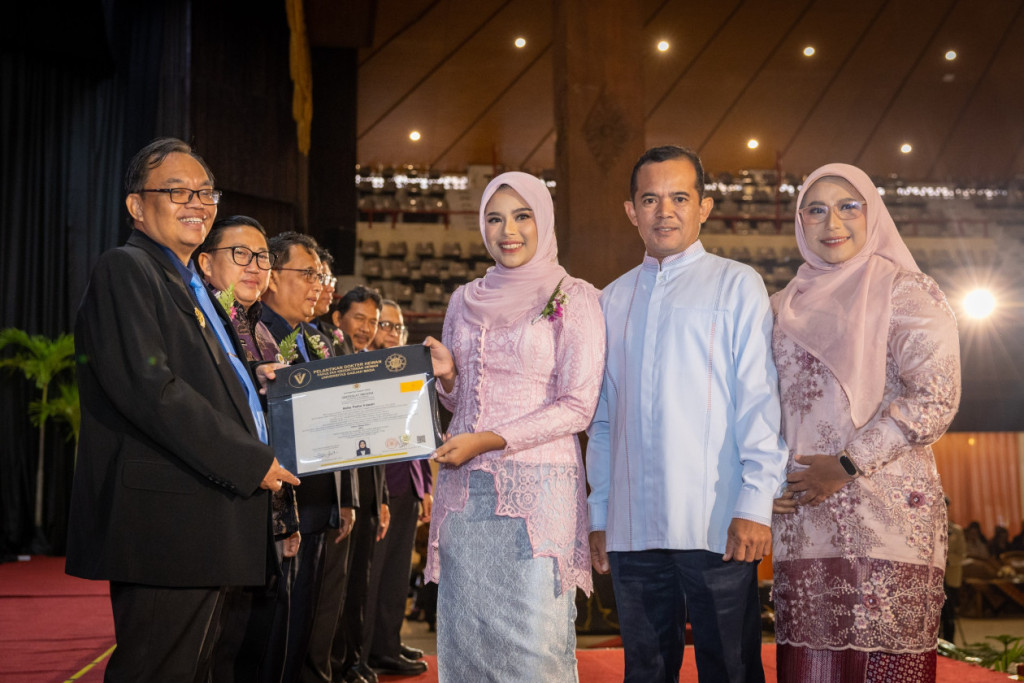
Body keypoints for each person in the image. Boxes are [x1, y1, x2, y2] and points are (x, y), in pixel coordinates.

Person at [66, 137, 300, 682]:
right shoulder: (126, 268)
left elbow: (199, 384)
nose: (197, 202)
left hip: (203, 518)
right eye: (177, 191)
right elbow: (151, 388)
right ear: (135, 205)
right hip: (167, 525)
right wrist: (251, 460)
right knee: (159, 670)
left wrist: (255, 387)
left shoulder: (189, 285)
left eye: (205, 191)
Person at [586, 145, 787, 683]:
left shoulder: (735, 282)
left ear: (705, 206)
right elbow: (603, 420)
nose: (664, 211)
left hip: (716, 522)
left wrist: (755, 504)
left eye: (679, 197)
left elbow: (758, 400)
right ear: (631, 210)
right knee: (645, 671)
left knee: (731, 668)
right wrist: (600, 513)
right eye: (650, 199)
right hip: (632, 527)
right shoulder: (611, 299)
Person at [770, 163, 961, 682]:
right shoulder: (780, 309)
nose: (832, 222)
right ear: (799, 222)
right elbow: (758, 413)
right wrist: (766, 482)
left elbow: (935, 398)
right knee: (812, 668)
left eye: (848, 206)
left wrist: (848, 464)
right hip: (805, 519)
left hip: (889, 520)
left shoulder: (908, 294)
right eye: (816, 209)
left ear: (872, 214)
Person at [423, 171, 605, 680]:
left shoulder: (573, 296)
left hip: (537, 492)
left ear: (542, 220)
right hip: (463, 490)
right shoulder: (463, 299)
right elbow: (459, 399)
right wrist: (449, 377)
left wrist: (490, 440)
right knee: (466, 638)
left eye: (522, 216)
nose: (509, 231)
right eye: (495, 218)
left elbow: (578, 405)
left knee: (533, 645)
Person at [195, 215, 302, 681]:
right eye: (241, 254)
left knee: (252, 645)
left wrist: (287, 519)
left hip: (266, 513)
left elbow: (274, 431)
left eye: (262, 257)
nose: (255, 265)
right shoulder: (201, 328)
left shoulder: (261, 332)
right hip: (218, 512)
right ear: (204, 263)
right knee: (213, 651)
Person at [261, 231, 356, 683]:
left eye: (321, 275)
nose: (319, 284)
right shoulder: (255, 336)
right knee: (274, 633)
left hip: (316, 502)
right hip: (280, 503)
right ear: (272, 277)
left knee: (302, 628)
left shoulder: (311, 339)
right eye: (308, 274)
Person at [363, 300, 432, 678]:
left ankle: (387, 643)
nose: (393, 334)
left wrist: (426, 488)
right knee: (372, 577)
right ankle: (366, 647)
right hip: (378, 491)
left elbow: (419, 437)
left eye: (399, 329)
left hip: (408, 486)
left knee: (395, 575)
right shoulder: (362, 372)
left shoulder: (407, 372)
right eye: (386, 325)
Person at [326, 285, 390, 683]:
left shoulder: (372, 364)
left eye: (373, 321)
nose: (366, 328)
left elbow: (378, 442)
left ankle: (354, 660)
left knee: (361, 583)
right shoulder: (328, 360)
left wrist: (381, 498)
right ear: (338, 319)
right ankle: (334, 663)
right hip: (338, 493)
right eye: (359, 318)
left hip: (367, 491)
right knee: (337, 584)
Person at [943, 497, 966, 643]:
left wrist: (947, 559)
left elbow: (961, 553)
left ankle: (950, 644)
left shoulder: (956, 531)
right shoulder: (926, 529)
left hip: (951, 577)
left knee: (950, 614)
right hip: (934, 579)